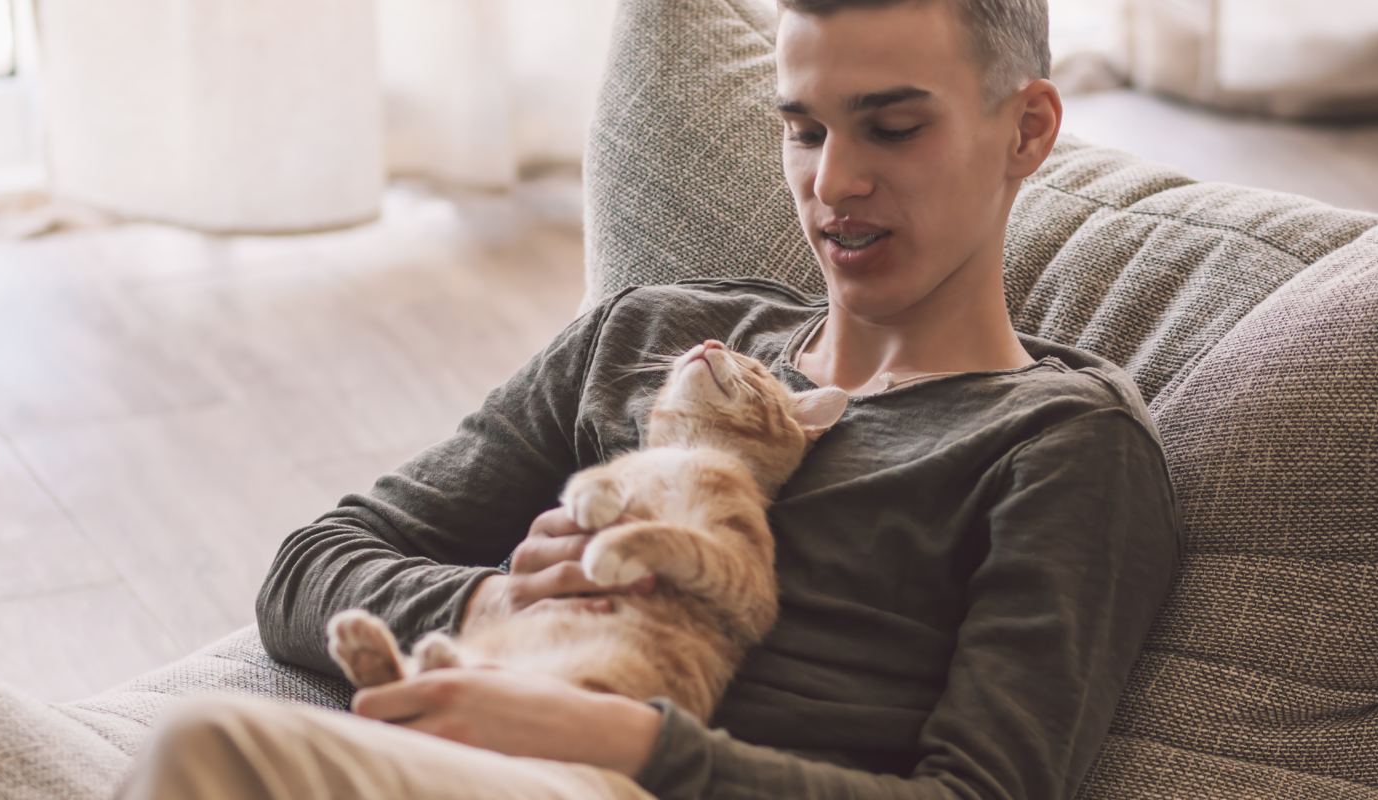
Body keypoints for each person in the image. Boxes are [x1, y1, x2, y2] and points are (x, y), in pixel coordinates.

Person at [117, 0, 1180, 797]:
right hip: (480, 758)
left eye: (892, 128)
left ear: (1027, 129)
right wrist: (494, 604)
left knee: (207, 749)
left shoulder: (1058, 443)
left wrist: (622, 742)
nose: (833, 183)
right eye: (805, 130)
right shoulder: (655, 336)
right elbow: (311, 567)